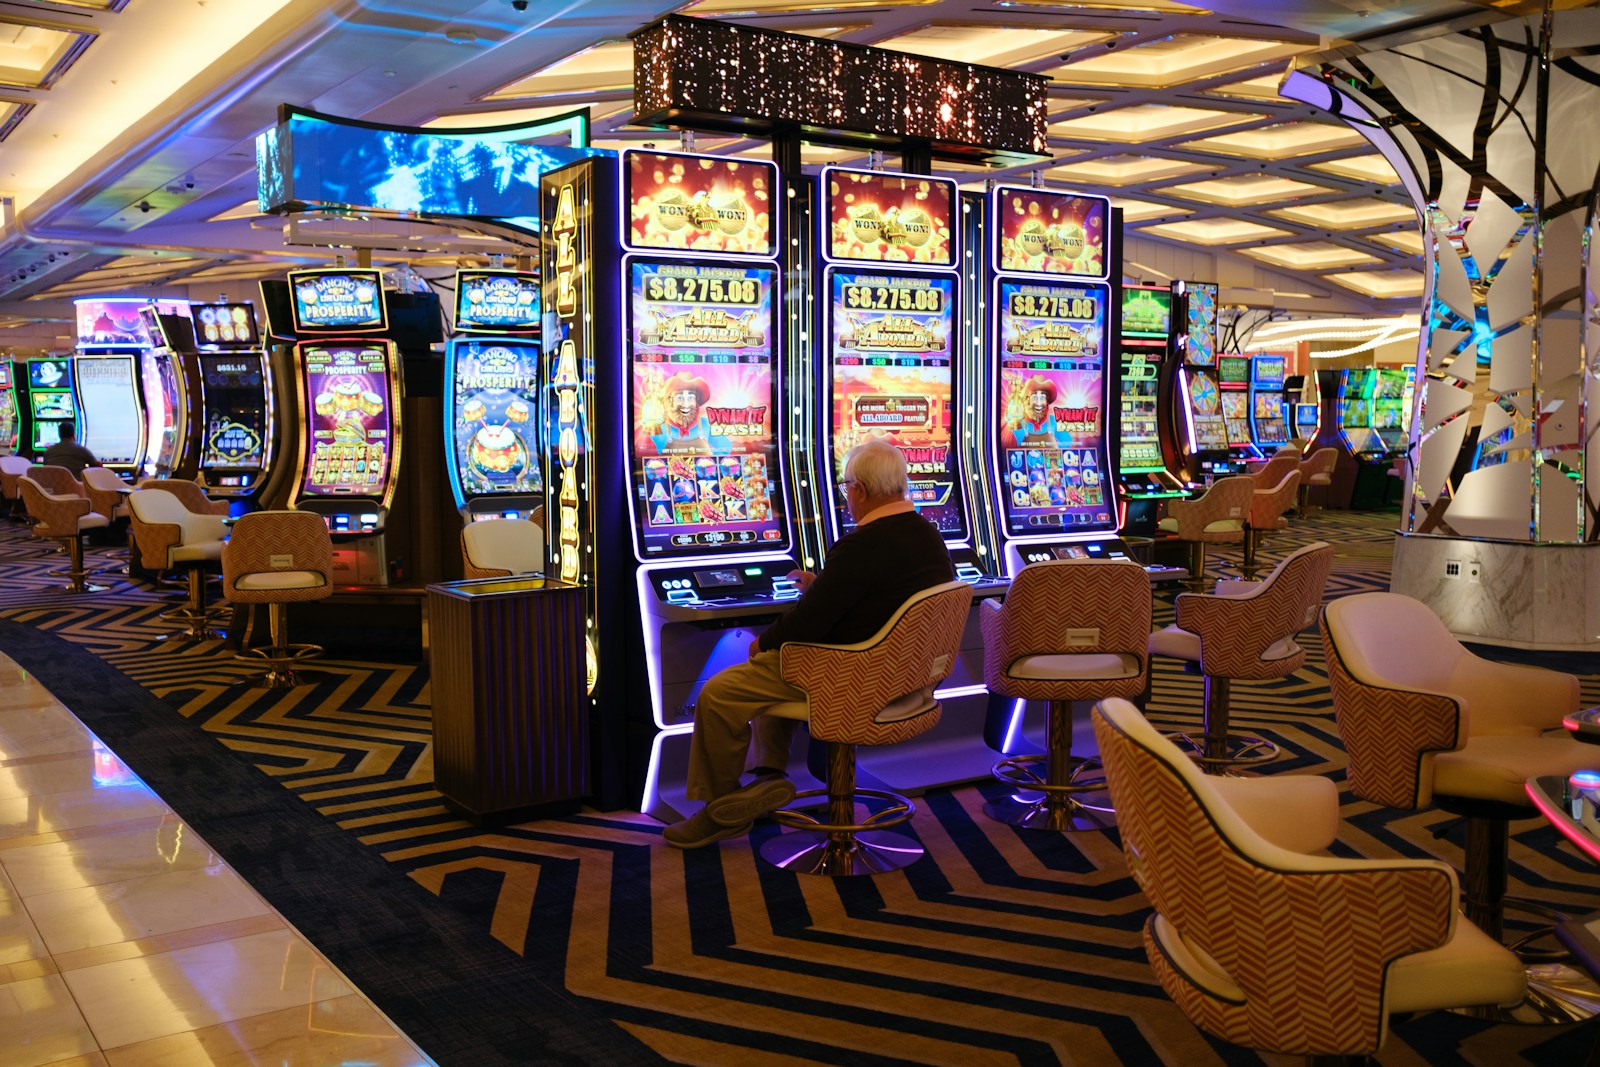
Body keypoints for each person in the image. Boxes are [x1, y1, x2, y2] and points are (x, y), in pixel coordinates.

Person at [664, 439, 956, 849]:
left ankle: (718, 809)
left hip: (853, 680)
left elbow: (808, 622)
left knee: (725, 690)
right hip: (906, 678)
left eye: (846, 487)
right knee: (780, 666)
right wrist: (824, 587)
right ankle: (766, 780)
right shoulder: (927, 534)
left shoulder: (863, 544)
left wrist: (764, 641)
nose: (847, 497)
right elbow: (879, 597)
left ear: (862, 490)